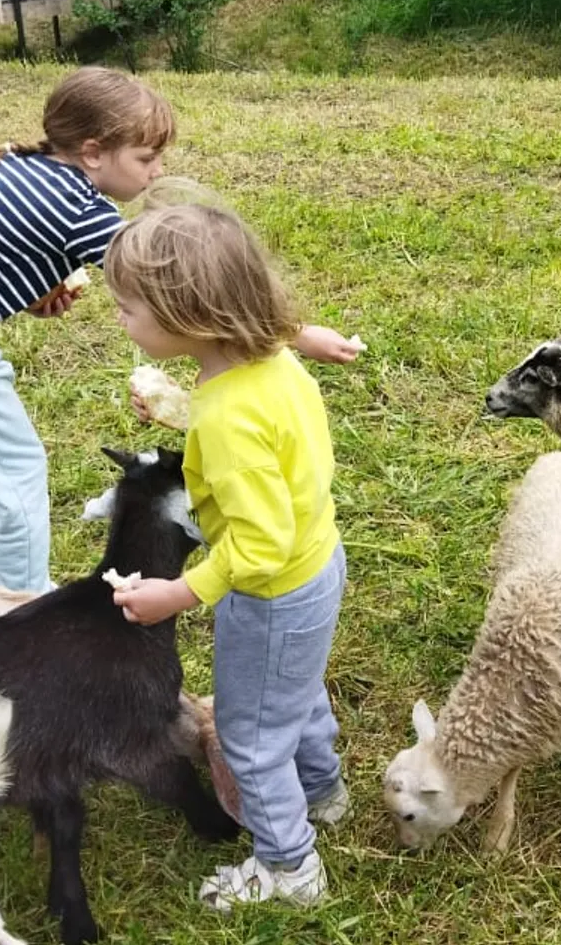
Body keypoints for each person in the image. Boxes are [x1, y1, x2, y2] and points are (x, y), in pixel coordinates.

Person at [0, 66, 358, 592]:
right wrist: (297, 333)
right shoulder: (74, 207)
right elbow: (185, 280)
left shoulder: (24, 165)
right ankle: (22, 603)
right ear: (93, 153)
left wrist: (28, 291)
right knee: (14, 470)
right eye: (145, 158)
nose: (157, 172)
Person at [107, 203, 350, 911]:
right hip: (316, 561)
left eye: (129, 306)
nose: (119, 316)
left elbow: (257, 542)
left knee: (248, 738)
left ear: (190, 314)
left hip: (272, 588)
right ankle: (322, 791)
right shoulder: (269, 364)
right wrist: (187, 412)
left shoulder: (228, 418)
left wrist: (179, 594)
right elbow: (260, 447)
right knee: (294, 695)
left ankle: (289, 866)